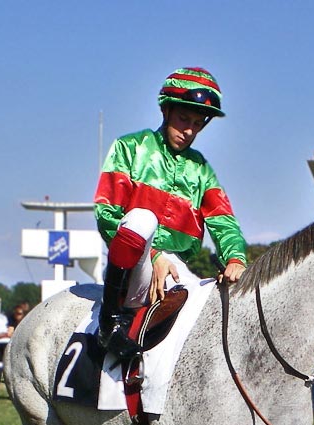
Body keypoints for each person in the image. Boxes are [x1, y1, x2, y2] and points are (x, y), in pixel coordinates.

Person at [94, 66, 248, 359]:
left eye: (198, 124)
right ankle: (109, 325)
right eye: (183, 119)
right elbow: (105, 213)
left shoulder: (201, 169)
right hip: (133, 266)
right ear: (166, 111)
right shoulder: (129, 148)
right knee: (142, 218)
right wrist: (154, 256)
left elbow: (223, 221)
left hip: (178, 271)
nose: (189, 131)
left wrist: (236, 259)